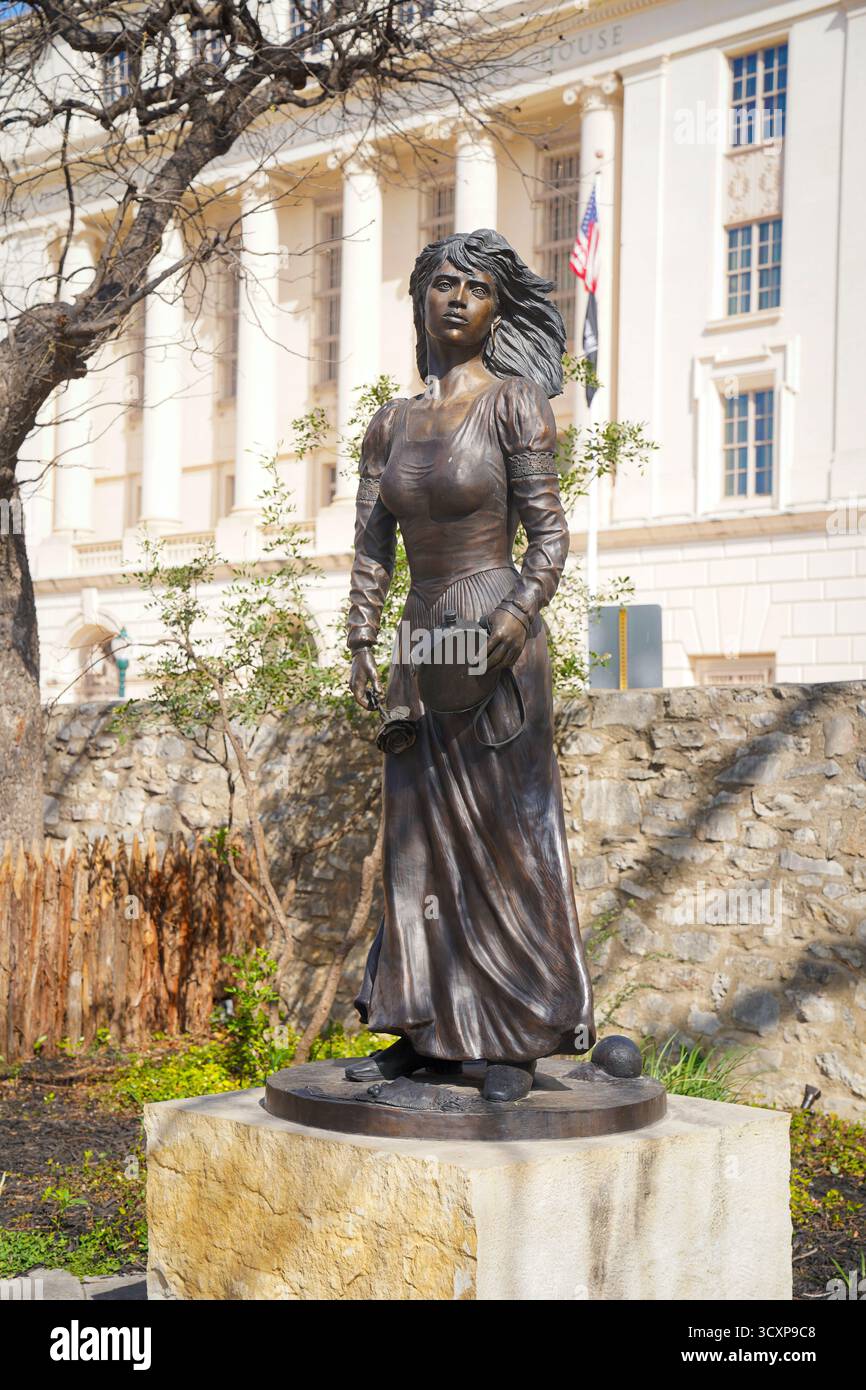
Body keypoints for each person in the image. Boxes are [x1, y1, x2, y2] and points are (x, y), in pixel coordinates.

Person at [344, 228, 596, 1103]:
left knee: (505, 836)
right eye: (442, 284)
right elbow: (374, 544)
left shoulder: (517, 403)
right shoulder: (390, 425)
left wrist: (519, 614)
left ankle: (515, 1032)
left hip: (492, 633)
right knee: (414, 840)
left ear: (497, 310)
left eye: (475, 288)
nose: (455, 298)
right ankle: (421, 1023)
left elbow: (550, 536)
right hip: (423, 638)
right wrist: (361, 641)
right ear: (420, 299)